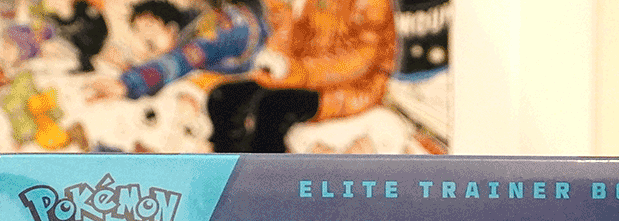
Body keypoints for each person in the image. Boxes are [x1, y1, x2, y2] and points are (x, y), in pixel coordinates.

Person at [206, 0, 397, 153]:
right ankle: (232, 172)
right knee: (224, 97)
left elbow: (359, 61)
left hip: (352, 90)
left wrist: (297, 72)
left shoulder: (372, 3)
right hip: (308, 79)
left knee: (272, 107)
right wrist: (276, 58)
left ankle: (267, 180)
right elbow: (297, 39)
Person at [87, 0, 266, 102]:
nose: (150, 53)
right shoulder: (197, 22)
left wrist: (128, 84)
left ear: (171, 28)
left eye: (150, 42)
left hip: (263, 41)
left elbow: (172, 65)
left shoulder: (197, 42)